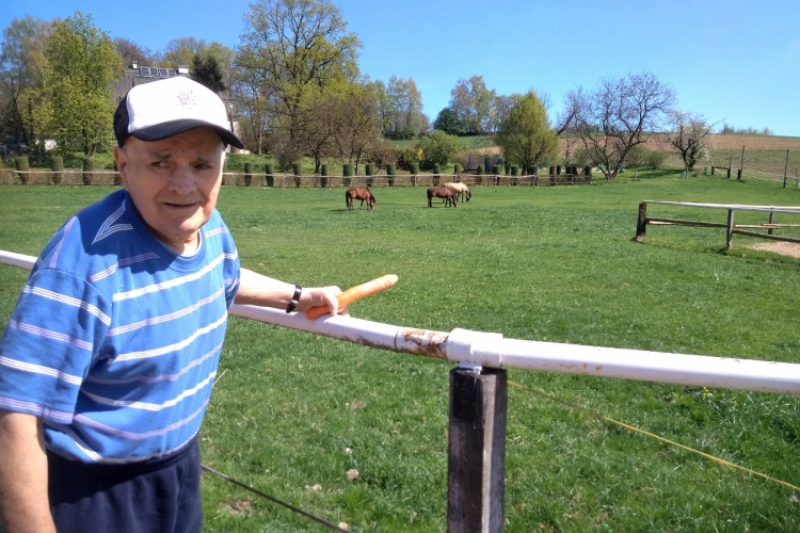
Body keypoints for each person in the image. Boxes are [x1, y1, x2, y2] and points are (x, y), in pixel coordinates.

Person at [0, 76, 341, 533]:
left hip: (178, 467)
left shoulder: (211, 227)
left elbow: (223, 276)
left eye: (202, 164)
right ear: (122, 164)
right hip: (94, 491)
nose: (184, 185)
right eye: (161, 161)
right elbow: (16, 418)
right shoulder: (80, 269)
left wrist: (298, 297)